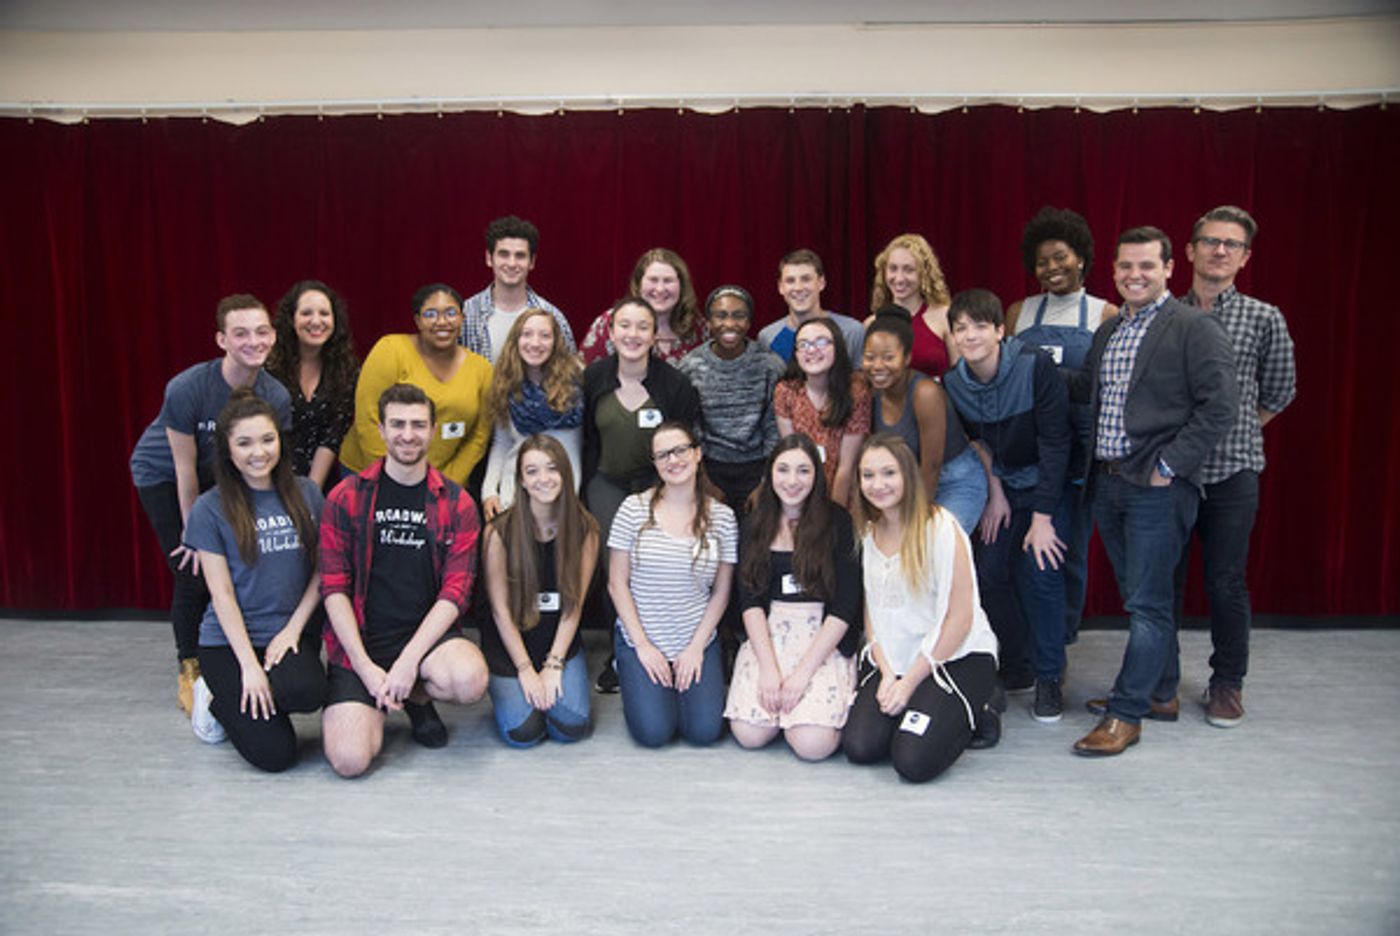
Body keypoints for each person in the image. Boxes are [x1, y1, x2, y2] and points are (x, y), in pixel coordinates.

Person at [1070, 227, 1239, 757]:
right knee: (1141, 597)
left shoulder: (1194, 326)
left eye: (1146, 265)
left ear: (1168, 268)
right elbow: (1087, 395)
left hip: (1157, 487)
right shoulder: (1110, 330)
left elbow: (1221, 405)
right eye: (1125, 266)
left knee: (1148, 604)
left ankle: (1127, 712)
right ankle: (1161, 692)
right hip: (1109, 482)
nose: (1134, 275)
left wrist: (1171, 464)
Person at [129, 293, 292, 714]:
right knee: (192, 570)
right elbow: (184, 469)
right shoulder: (188, 388)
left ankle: (229, 652)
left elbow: (263, 462)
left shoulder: (275, 395)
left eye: (261, 332)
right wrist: (193, 536)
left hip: (226, 475)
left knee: (232, 566)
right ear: (222, 340)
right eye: (241, 334)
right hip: (165, 476)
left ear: (274, 336)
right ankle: (190, 666)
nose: (253, 341)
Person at [319, 383, 490, 777]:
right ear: (381, 430)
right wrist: (365, 667)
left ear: (432, 431)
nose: (408, 435)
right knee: (349, 761)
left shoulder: (457, 502)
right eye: (397, 424)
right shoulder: (345, 497)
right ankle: (377, 701)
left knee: (469, 680)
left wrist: (407, 663)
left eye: (418, 425)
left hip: (423, 644)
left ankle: (414, 696)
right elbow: (333, 587)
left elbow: (456, 593)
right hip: (361, 645)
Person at [1175, 205, 1297, 727]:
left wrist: (1237, 428)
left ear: (1245, 257)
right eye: (1210, 241)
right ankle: (1158, 681)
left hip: (1234, 471)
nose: (1219, 250)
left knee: (1226, 583)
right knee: (1162, 581)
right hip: (1172, 472)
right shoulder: (1164, 313)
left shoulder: (1264, 318)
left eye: (1231, 244)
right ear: (1190, 251)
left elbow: (1280, 390)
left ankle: (1227, 683)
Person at [943, 288, 1072, 721]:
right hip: (1000, 485)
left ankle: (1049, 677)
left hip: (1046, 487)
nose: (970, 335)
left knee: (1041, 573)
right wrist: (995, 494)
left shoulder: (1034, 366)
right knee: (988, 573)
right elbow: (977, 444)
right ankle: (1018, 664)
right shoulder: (953, 383)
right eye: (961, 328)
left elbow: (1056, 442)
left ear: (1000, 330)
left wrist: (1042, 517)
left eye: (980, 326)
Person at [843, 434, 1000, 782]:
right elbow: (873, 614)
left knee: (912, 761)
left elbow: (960, 619)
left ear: (908, 475)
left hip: (952, 657)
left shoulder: (941, 528)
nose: (878, 484)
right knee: (860, 746)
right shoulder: (868, 532)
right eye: (868, 475)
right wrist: (887, 674)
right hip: (895, 659)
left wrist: (909, 683)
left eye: (889, 473)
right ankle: (923, 707)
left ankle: (982, 707)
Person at [184, 392, 327, 771]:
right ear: (227, 450)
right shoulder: (210, 508)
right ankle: (216, 698)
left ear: (280, 440)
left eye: (267, 439)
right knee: (276, 756)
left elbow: (322, 571)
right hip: (229, 643)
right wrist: (249, 667)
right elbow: (222, 594)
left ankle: (249, 705)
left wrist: (293, 630)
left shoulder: (308, 493)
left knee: (308, 691)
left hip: (286, 636)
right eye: (244, 443)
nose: (258, 452)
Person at [1004, 208, 1118, 645]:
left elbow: (1102, 387)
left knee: (1066, 550)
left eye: (1060, 257)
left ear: (1081, 258)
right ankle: (1023, 642)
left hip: (1075, 452)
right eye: (1042, 262)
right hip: (1023, 447)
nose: (1052, 267)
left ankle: (1061, 640)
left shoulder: (1105, 314)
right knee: (1018, 551)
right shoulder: (1019, 312)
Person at [581, 297, 701, 692]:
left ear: (654, 336)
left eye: (642, 327)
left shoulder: (674, 385)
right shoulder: (594, 378)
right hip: (606, 483)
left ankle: (665, 645)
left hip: (659, 484)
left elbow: (685, 445)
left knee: (655, 564)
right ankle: (620, 653)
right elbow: (585, 437)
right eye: (625, 326)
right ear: (611, 332)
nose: (633, 335)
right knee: (614, 567)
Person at [725, 434, 861, 761]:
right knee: (749, 734)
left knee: (812, 745)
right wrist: (769, 669)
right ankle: (782, 714)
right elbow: (750, 602)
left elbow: (845, 604)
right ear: (770, 473)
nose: (792, 481)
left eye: (803, 471)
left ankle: (806, 716)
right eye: (783, 469)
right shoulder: (754, 524)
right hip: (770, 635)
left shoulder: (838, 521)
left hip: (822, 638)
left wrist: (801, 676)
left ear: (816, 475)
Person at [607, 421, 738, 747]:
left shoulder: (723, 517)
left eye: (680, 450)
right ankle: (632, 672)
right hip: (642, 637)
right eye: (663, 454)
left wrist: (696, 647)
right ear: (655, 463)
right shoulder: (633, 509)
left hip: (695, 638)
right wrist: (642, 646)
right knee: (654, 733)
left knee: (704, 732)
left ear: (697, 454)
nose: (673, 460)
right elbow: (616, 583)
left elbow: (721, 591)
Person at [481, 435, 599, 747]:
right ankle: (509, 690)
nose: (543, 479)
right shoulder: (498, 532)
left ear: (565, 473)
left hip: (556, 640)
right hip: (510, 645)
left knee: (570, 727)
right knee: (524, 734)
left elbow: (574, 605)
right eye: (532, 471)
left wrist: (554, 664)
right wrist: (525, 669)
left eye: (552, 468)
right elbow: (499, 611)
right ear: (520, 480)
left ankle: (564, 671)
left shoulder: (586, 529)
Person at [340, 283, 492, 488]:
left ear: (462, 319)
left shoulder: (482, 370)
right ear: (418, 321)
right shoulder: (391, 350)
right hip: (372, 473)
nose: (442, 322)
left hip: (440, 482)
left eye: (450, 313)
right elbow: (368, 419)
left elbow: (479, 436)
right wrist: (395, 479)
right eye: (430, 314)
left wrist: (446, 483)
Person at [863, 307, 987, 535]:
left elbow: (932, 466)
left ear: (907, 358)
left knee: (933, 545)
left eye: (888, 358)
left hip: (954, 481)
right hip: (907, 482)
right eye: (870, 357)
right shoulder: (870, 391)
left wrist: (914, 523)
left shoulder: (925, 393)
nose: (878, 366)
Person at [678, 284, 785, 522]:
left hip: (757, 468)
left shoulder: (769, 365)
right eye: (721, 315)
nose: (729, 324)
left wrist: (766, 483)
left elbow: (774, 428)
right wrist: (703, 482)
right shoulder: (690, 366)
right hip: (708, 468)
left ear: (748, 322)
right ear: (709, 322)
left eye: (739, 316)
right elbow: (690, 429)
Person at [481, 309, 583, 521]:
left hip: (564, 493)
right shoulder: (506, 384)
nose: (535, 343)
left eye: (545, 335)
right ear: (515, 340)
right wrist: (489, 490)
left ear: (556, 341)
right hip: (515, 494)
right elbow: (502, 443)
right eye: (526, 334)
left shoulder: (577, 380)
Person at [265, 279, 360, 489]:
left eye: (324, 313)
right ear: (291, 319)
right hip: (269, 477)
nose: (316, 321)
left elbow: (332, 437)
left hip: (321, 482)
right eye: (306, 313)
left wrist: (311, 492)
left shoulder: (346, 370)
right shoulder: (268, 367)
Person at [774, 317, 871, 508]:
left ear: (837, 347)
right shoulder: (786, 391)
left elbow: (846, 466)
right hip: (799, 489)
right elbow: (792, 456)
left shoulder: (856, 392)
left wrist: (834, 515)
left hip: (844, 492)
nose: (811, 350)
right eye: (803, 344)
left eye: (820, 342)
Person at [458, 215, 576, 362]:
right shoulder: (465, 315)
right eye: (504, 254)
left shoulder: (554, 317)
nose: (512, 263)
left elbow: (569, 372)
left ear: (532, 262)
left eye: (520, 256)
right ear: (489, 258)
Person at [580, 248, 706, 364]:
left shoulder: (699, 328)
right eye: (653, 280)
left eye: (668, 280)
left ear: (682, 286)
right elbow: (584, 374)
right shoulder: (610, 322)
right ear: (638, 284)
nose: (660, 289)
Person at [868, 234, 957, 375]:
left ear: (924, 274)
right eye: (893, 268)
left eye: (908, 269)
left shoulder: (945, 317)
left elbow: (960, 375)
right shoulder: (871, 324)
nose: (899, 278)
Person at [758, 249, 866, 364]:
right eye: (790, 281)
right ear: (781, 287)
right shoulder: (767, 337)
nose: (798, 288)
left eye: (806, 279)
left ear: (821, 283)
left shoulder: (851, 332)